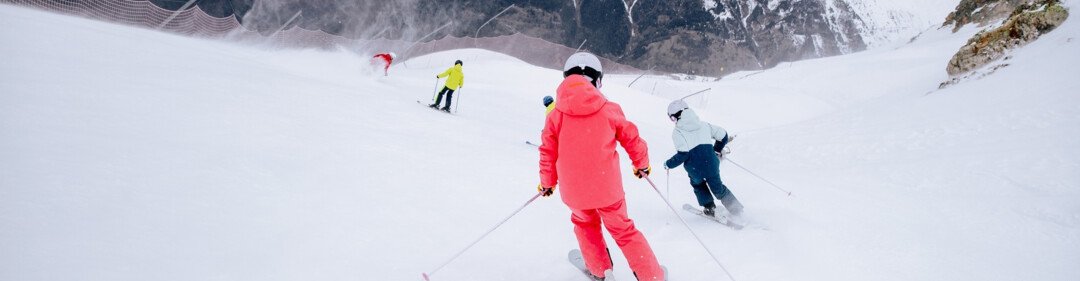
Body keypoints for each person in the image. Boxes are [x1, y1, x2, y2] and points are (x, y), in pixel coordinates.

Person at [538, 52, 665, 280]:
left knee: (586, 226)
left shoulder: (556, 115)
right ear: (597, 81)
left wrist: (547, 183)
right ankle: (651, 276)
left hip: (575, 191)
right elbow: (631, 138)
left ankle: (600, 271)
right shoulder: (609, 109)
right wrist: (642, 164)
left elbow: (547, 151)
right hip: (607, 189)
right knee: (623, 230)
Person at [662, 99, 744, 217]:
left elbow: (683, 154)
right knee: (718, 188)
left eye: (672, 118)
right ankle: (737, 210)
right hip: (711, 164)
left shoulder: (677, 132)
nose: (673, 121)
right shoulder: (704, 125)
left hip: (694, 169)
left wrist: (668, 164)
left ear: (676, 117)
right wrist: (716, 150)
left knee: (698, 185)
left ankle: (710, 208)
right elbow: (723, 136)